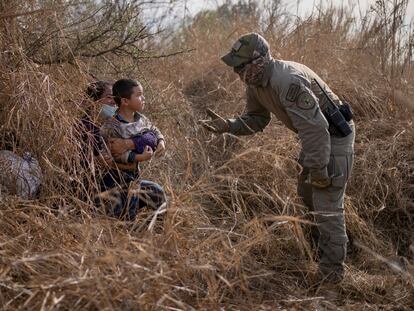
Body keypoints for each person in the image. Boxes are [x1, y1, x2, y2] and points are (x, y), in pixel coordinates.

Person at [199, 33, 355, 284]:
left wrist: (318, 169)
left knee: (327, 205)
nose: (236, 71)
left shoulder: (287, 81)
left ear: (258, 60)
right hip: (315, 138)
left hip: (333, 137)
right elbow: (257, 119)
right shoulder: (255, 83)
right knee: (307, 195)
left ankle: (332, 278)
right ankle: (323, 249)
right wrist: (228, 125)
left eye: (241, 65)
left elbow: (316, 129)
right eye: (235, 66)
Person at [80, 80, 166, 221]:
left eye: (115, 97)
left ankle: (156, 231)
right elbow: (79, 162)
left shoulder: (129, 120)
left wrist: (132, 143)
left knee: (156, 192)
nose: (115, 101)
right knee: (124, 213)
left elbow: (151, 133)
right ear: (94, 101)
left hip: (129, 178)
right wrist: (98, 161)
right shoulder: (89, 128)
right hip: (101, 187)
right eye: (109, 97)